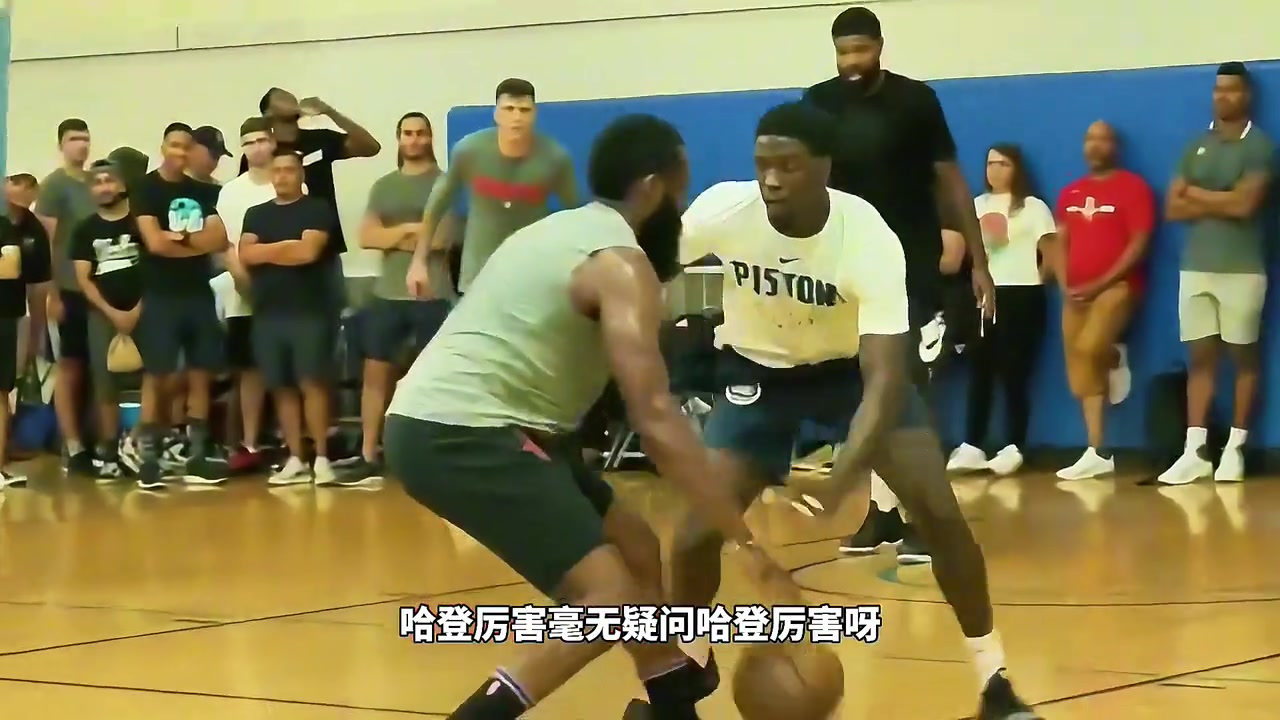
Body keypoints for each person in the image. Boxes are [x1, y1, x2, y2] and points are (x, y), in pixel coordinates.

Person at [384, 114, 784, 720]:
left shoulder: (561, 229)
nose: (681, 208)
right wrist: (743, 538)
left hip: (500, 426)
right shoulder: (619, 263)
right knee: (609, 599)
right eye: (680, 191)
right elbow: (655, 416)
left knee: (636, 546)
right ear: (652, 189)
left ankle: (670, 700)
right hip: (462, 431)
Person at [667, 102, 1040, 720]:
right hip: (756, 372)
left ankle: (994, 681)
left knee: (938, 511)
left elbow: (886, 380)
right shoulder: (723, 209)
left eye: (789, 166)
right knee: (692, 537)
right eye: (763, 164)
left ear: (825, 167)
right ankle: (683, 677)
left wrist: (844, 477)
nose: (772, 180)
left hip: (850, 374)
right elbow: (645, 267)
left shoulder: (866, 236)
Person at [803, 7, 995, 564]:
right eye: (843, 52)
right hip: (845, 263)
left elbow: (951, 182)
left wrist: (979, 261)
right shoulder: (819, 103)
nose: (851, 62)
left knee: (908, 385)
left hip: (908, 261)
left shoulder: (916, 101)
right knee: (865, 390)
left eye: (860, 50)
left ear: (880, 47)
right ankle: (882, 511)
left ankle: (922, 517)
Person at [1161, 62, 1274, 485]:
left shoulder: (1260, 146)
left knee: (1243, 358)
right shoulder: (1196, 145)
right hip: (1195, 268)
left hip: (1242, 269)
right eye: (1218, 89)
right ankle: (1195, 451)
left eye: (1231, 90)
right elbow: (1173, 208)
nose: (1223, 96)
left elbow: (1246, 206)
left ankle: (1235, 449)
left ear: (1247, 95)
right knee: (1200, 360)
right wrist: (1223, 198)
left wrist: (1196, 193)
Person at [238, 149, 354, 486]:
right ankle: (295, 458)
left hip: (310, 312)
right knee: (281, 386)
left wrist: (268, 251)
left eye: (290, 169)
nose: (283, 176)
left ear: (301, 174)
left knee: (312, 384)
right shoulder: (256, 214)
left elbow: (307, 252)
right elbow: (246, 254)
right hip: (268, 313)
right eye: (277, 170)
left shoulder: (317, 209)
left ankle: (321, 457)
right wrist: (286, 247)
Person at [349, 112, 453, 482]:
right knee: (375, 375)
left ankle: (434, 455)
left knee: (434, 379)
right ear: (399, 139)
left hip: (433, 295)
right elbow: (366, 237)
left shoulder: (446, 184)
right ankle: (368, 452)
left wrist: (391, 235)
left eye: (420, 133)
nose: (414, 139)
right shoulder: (384, 186)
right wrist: (414, 228)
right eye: (407, 133)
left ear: (430, 137)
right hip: (387, 295)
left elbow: (441, 241)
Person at [407, 78, 577, 299]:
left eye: (524, 110)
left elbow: (574, 215)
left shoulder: (555, 158)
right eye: (509, 109)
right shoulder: (469, 151)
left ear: (534, 114)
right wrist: (418, 261)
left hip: (531, 273)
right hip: (479, 275)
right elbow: (437, 204)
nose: (516, 117)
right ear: (496, 114)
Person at [131, 122, 230, 490]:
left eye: (186, 146)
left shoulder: (203, 191)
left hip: (197, 293)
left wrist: (178, 241)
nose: (180, 152)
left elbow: (218, 239)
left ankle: (198, 451)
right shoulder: (146, 188)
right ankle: (150, 455)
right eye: (174, 145)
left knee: (201, 371)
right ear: (163, 147)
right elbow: (154, 243)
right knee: (157, 374)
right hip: (161, 294)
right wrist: (191, 242)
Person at [1054, 121, 1154, 480]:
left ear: (1116, 147)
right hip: (1076, 292)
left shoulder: (1133, 188)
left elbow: (1139, 243)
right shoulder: (1070, 192)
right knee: (1079, 365)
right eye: (1089, 139)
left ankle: (1112, 353)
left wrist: (1101, 283)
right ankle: (1097, 451)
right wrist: (1064, 283)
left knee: (1090, 347)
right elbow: (1059, 240)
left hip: (1118, 287)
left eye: (1103, 139)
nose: (1095, 146)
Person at [948, 144, 1055, 476]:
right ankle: (973, 444)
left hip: (1023, 294)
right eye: (990, 163)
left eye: (1003, 164)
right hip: (984, 296)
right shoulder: (976, 205)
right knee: (979, 370)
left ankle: (1014, 445)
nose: (995, 170)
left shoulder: (1033, 207)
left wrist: (1039, 281)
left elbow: (1050, 251)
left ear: (1017, 169)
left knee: (1014, 373)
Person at [70, 160, 145, 481]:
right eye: (97, 182)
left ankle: (142, 445)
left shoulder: (141, 223)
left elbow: (156, 268)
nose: (104, 187)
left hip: (145, 311)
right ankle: (110, 451)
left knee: (156, 379)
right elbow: (83, 278)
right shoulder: (85, 229)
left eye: (109, 180)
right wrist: (113, 313)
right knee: (105, 385)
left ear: (122, 185)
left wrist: (137, 310)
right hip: (102, 315)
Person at [214, 117, 280, 472]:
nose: (256, 147)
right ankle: (250, 442)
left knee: (288, 368)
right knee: (250, 370)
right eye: (249, 142)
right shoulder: (231, 192)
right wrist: (241, 279)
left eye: (261, 140)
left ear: (273, 142)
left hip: (285, 289)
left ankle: (291, 442)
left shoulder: (289, 183)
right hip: (241, 291)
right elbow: (224, 243)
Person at [34, 118, 98, 475]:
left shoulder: (94, 182)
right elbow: (47, 245)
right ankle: (71, 443)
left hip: (96, 290)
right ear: (61, 144)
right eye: (74, 139)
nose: (81, 145)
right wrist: (53, 293)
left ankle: (93, 439)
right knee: (70, 365)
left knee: (95, 366)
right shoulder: (54, 186)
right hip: (68, 290)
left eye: (85, 139)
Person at [0, 174, 54, 488]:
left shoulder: (34, 231)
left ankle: (3, 454)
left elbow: (36, 284)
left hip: (10, 314)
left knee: (5, 386)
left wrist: (37, 333)